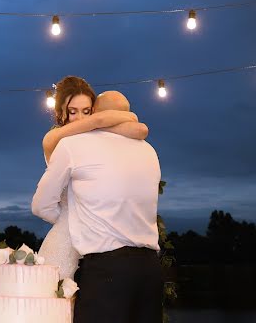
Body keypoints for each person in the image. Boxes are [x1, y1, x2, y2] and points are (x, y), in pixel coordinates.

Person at [32, 89, 163, 323]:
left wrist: (69, 220)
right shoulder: (150, 151)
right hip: (150, 271)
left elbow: (41, 205)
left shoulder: (73, 145)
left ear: (95, 113)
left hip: (107, 272)